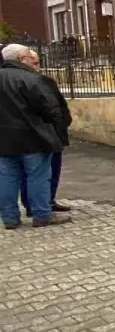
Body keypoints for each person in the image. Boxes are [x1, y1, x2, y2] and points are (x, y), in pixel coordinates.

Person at [0, 44, 69, 228]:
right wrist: (55, 127)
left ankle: (9, 218)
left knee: (6, 178)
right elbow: (50, 109)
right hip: (33, 138)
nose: (32, 60)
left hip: (4, 140)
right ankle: (41, 215)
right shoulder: (32, 79)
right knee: (37, 176)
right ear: (20, 59)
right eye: (29, 57)